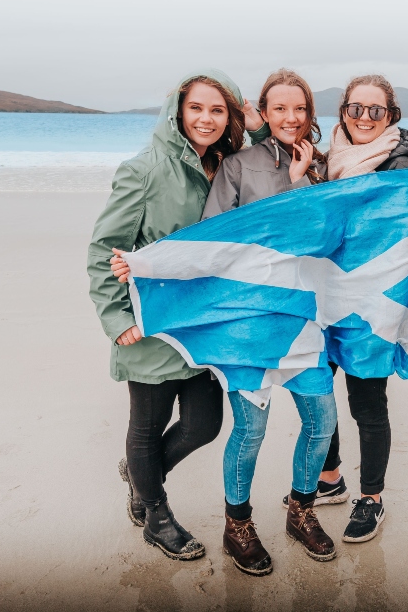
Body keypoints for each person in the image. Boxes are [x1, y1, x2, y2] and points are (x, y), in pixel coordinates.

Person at [128, 69, 338, 576]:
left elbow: (330, 245)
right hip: (249, 324)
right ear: (262, 114)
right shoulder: (237, 166)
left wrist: (308, 180)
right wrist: (142, 267)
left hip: (302, 321)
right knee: (251, 429)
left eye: (300, 109)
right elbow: (215, 244)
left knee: (322, 420)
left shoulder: (321, 168)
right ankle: (237, 524)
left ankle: (301, 510)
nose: (291, 118)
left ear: (310, 115)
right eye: (280, 109)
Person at [86, 70, 265, 562]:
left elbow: (272, 168)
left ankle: (141, 474)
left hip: (200, 322)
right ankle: (156, 515)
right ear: (177, 111)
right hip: (148, 321)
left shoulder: (225, 163)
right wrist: (115, 317)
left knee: (204, 425)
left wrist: (258, 128)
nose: (205, 119)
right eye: (196, 108)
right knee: (147, 425)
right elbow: (105, 247)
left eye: (217, 110)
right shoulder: (144, 170)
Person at [318, 74, 408, 543]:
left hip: (374, 301)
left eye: (376, 111)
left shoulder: (401, 160)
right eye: (356, 109)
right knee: (316, 395)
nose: (364, 118)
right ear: (342, 113)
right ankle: (330, 478)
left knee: (366, 405)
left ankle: (372, 499)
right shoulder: (323, 159)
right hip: (323, 294)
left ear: (391, 117)